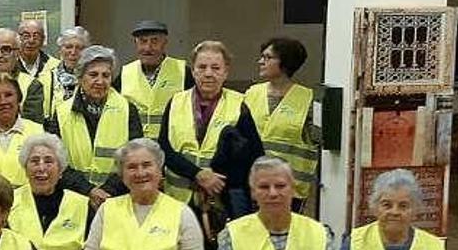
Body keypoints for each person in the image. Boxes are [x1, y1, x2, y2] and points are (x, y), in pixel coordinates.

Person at [159, 40, 263, 217]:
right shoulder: (176, 101)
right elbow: (163, 148)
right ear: (193, 71)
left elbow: (254, 156)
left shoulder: (239, 105)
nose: (208, 73)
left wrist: (217, 179)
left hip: (221, 201)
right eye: (202, 67)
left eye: (215, 68)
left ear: (225, 72)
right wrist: (197, 174)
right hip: (178, 199)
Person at [52, 45, 142, 208]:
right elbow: (57, 163)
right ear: (80, 77)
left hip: (117, 198)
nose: (100, 81)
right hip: (74, 199)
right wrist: (88, 190)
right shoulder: (61, 113)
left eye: (106, 75)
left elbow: (134, 158)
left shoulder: (128, 110)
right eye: (93, 75)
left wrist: (106, 191)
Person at [245, 38, 320, 212]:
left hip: (290, 189)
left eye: (268, 57)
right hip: (255, 185)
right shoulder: (252, 93)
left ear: (284, 62)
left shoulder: (308, 99)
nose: (261, 61)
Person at [116, 20, 194, 139]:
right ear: (135, 44)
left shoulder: (183, 72)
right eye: (143, 42)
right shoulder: (125, 73)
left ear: (165, 43)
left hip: (171, 148)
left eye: (154, 41)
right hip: (135, 147)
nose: (148, 48)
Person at [40, 27, 90, 116]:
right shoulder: (45, 78)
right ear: (60, 50)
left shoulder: (93, 78)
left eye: (79, 48)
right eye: (68, 47)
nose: (73, 52)